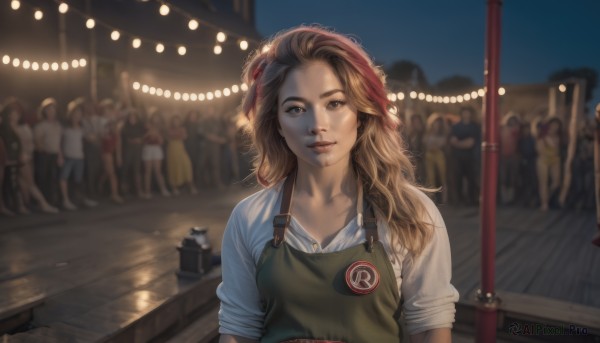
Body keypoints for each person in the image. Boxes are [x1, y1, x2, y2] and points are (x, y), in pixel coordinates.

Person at [217, 26, 458, 343]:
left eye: (335, 103)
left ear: (360, 112)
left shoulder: (409, 213)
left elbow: (430, 329)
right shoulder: (249, 219)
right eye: (296, 109)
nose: (317, 125)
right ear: (276, 122)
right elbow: (238, 330)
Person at [59, 99, 98, 210]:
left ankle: (80, 199)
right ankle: (65, 200)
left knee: (78, 180)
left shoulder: (82, 128)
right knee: (64, 177)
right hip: (68, 157)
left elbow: (92, 138)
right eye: (75, 114)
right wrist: (60, 155)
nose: (77, 116)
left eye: (79, 114)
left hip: (79, 157)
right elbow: (60, 143)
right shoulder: (65, 128)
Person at [33, 98, 63, 207]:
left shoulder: (57, 125)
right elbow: (37, 142)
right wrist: (43, 149)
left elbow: (58, 142)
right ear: (44, 111)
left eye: (53, 109)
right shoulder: (41, 126)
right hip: (44, 156)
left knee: (53, 178)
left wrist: (60, 156)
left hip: (54, 155)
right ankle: (42, 202)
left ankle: (53, 200)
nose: (51, 112)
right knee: (43, 178)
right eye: (49, 110)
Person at [449, 106, 480, 206]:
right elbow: (452, 141)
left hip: (470, 157)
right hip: (458, 157)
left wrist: (459, 143)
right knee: (458, 179)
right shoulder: (456, 126)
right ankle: (459, 200)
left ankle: (471, 199)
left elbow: (470, 143)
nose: (466, 115)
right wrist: (463, 143)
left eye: (468, 112)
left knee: (471, 179)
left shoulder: (474, 127)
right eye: (464, 112)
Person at [166, 114, 197, 195]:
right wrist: (178, 134)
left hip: (180, 148)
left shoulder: (182, 128)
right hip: (172, 149)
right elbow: (170, 136)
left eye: (177, 121)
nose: (176, 122)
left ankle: (191, 187)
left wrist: (178, 134)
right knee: (174, 167)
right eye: (175, 121)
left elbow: (184, 136)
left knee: (187, 165)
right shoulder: (169, 129)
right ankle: (174, 188)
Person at [536, 117, 563, 211]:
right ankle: (544, 203)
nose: (555, 127)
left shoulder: (559, 136)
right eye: (553, 124)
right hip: (543, 159)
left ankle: (548, 197)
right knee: (543, 182)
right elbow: (539, 149)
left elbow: (559, 149)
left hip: (555, 160)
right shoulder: (543, 135)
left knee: (556, 182)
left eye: (557, 125)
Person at [142, 110, 170, 198]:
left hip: (157, 148)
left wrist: (156, 133)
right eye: (154, 117)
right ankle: (147, 191)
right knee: (148, 171)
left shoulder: (161, 128)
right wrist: (149, 132)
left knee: (158, 170)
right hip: (148, 148)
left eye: (157, 117)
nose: (155, 119)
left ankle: (163, 189)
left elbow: (162, 141)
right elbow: (142, 139)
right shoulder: (146, 126)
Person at [119, 108, 145, 198]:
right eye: (131, 117)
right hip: (127, 151)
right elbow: (127, 139)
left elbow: (143, 137)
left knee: (137, 170)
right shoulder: (125, 127)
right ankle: (124, 191)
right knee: (125, 170)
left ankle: (138, 190)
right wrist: (135, 141)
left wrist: (140, 140)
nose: (132, 118)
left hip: (137, 152)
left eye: (134, 117)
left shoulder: (140, 127)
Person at [423, 113, 448, 203]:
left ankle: (444, 198)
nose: (436, 125)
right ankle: (431, 197)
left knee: (443, 177)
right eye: (435, 123)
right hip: (429, 156)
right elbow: (427, 144)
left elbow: (441, 144)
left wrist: (434, 145)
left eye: (438, 123)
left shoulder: (443, 134)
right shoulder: (427, 133)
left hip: (439, 155)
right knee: (430, 177)